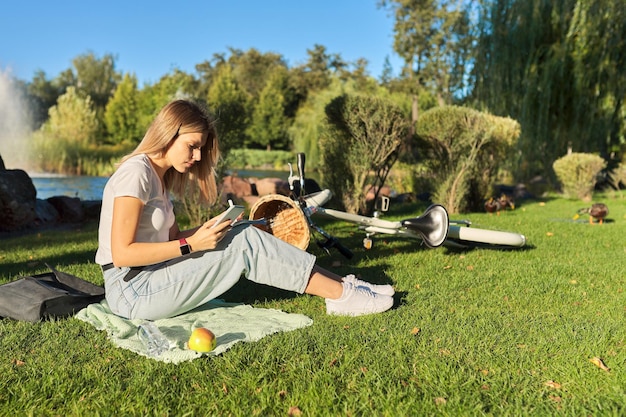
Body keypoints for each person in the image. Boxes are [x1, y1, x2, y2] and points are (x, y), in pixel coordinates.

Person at [95, 99, 394, 320]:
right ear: (168, 134)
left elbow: (170, 239)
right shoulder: (137, 173)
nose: (197, 157)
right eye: (192, 146)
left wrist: (210, 230)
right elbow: (123, 253)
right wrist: (192, 245)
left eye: (200, 148)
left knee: (241, 232)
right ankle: (341, 296)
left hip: (151, 276)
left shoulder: (158, 178)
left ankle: (342, 285)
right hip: (131, 290)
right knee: (244, 244)